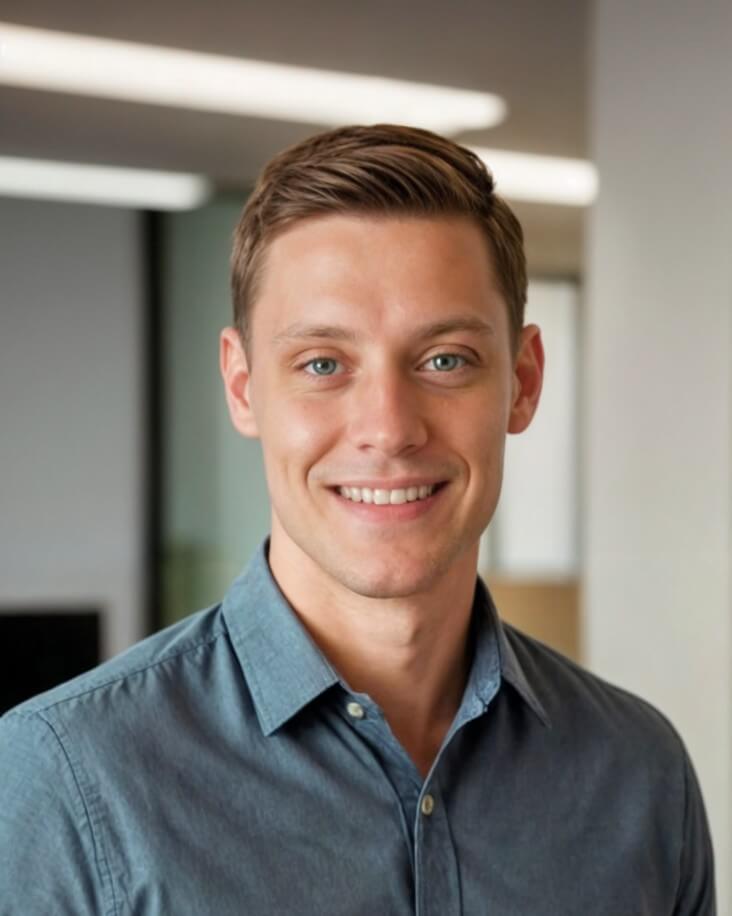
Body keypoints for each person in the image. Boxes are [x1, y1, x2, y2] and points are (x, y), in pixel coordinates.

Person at [0, 124, 715, 915]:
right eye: (323, 364)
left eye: (444, 359)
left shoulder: (640, 775)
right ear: (242, 387)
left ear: (523, 381)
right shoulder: (67, 780)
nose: (389, 428)